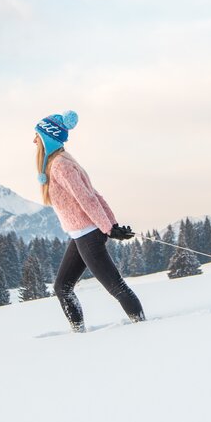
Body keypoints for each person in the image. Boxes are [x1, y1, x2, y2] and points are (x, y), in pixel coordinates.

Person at [34, 110, 146, 331]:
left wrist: (108, 227)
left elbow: (87, 198)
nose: (34, 139)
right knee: (62, 287)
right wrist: (111, 225)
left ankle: (142, 327)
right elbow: (94, 195)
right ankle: (78, 332)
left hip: (88, 234)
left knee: (116, 286)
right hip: (81, 235)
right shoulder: (59, 163)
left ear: (47, 136)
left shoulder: (61, 166)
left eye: (37, 134)